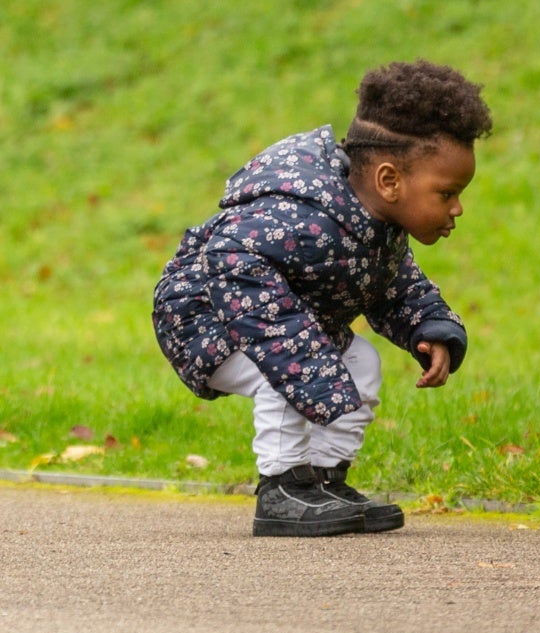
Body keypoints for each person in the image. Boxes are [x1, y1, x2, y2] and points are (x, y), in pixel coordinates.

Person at [150, 61, 489, 537]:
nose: (457, 208)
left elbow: (398, 287)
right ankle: (281, 489)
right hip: (204, 317)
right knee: (287, 370)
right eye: (447, 193)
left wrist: (430, 328)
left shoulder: (377, 228)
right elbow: (231, 254)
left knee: (361, 361)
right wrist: (299, 350)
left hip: (283, 323)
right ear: (389, 181)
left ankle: (323, 481)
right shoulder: (303, 213)